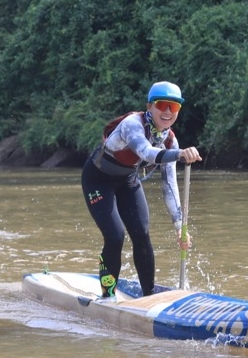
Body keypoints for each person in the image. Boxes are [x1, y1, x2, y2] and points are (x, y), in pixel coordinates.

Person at [81, 80, 203, 300]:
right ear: (149, 107)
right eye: (162, 104)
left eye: (173, 107)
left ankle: (149, 297)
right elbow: (146, 153)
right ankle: (107, 296)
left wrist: (179, 226)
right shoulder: (132, 124)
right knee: (115, 236)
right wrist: (180, 154)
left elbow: (169, 185)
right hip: (98, 180)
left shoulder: (170, 141)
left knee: (142, 234)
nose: (167, 111)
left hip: (127, 180)